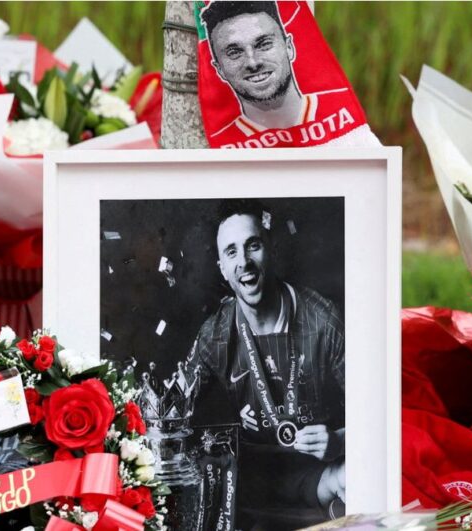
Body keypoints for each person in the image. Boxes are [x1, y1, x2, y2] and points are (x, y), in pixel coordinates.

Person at [186, 199, 345, 528]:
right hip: (248, 483)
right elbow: (176, 412)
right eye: (231, 252)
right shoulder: (214, 335)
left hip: (322, 475)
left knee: (358, 476)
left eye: (253, 245)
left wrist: (341, 440)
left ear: (271, 249)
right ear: (222, 268)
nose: (244, 262)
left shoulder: (324, 320)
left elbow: (378, 414)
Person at [201, 1, 353, 141]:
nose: (253, 63)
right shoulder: (217, 143)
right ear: (219, 69)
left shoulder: (344, 116)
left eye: (264, 44)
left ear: (289, 47)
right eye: (234, 53)